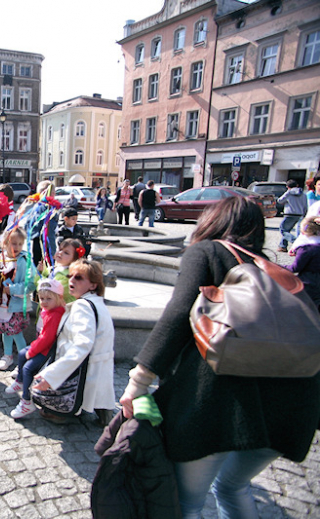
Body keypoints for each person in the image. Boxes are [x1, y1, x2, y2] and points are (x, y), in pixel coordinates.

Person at [118, 197, 320, 518]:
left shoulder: (208, 252)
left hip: (215, 409)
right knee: (232, 487)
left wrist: (138, 381)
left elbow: (178, 313)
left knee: (189, 504)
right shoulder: (273, 269)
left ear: (212, 221)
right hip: (292, 410)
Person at [33, 258, 116, 426]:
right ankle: (103, 415)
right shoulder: (96, 302)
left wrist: (51, 375)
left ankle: (65, 412)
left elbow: (82, 344)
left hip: (85, 366)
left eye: (79, 278)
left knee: (71, 395)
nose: (71, 280)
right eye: (71, 276)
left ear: (93, 285)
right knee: (98, 393)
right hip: (98, 363)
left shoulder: (83, 306)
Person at [6, 278, 66, 419]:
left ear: (58, 298)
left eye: (48, 299)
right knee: (21, 354)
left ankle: (27, 401)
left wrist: (32, 351)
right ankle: (20, 382)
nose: (44, 302)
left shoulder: (55, 314)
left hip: (48, 350)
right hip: (42, 345)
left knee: (28, 368)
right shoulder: (49, 310)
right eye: (41, 298)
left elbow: (47, 339)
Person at [0, 228, 35, 371]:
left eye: (20, 244)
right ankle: (7, 355)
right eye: (14, 243)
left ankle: (24, 360)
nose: (17, 247)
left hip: (15, 305)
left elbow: (31, 283)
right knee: (5, 331)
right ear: (5, 243)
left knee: (16, 332)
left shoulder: (25, 261)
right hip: (1, 304)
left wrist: (14, 289)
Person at [283, 216, 320, 311]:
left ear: (303, 231)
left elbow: (295, 268)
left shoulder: (305, 249)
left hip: (309, 282)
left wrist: (278, 266)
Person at [39, 238, 83, 305]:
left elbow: (51, 290)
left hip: (61, 310)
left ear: (74, 259)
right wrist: (41, 271)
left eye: (66, 253)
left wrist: (38, 277)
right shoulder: (54, 268)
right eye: (60, 249)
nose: (60, 253)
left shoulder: (69, 275)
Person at [277, 179, 307, 252]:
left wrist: (287, 193)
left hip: (289, 213)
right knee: (287, 230)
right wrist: (304, 214)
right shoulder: (303, 194)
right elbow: (305, 205)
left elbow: (280, 200)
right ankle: (282, 246)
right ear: (297, 185)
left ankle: (295, 242)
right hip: (299, 214)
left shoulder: (289, 193)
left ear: (287, 187)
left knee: (283, 230)